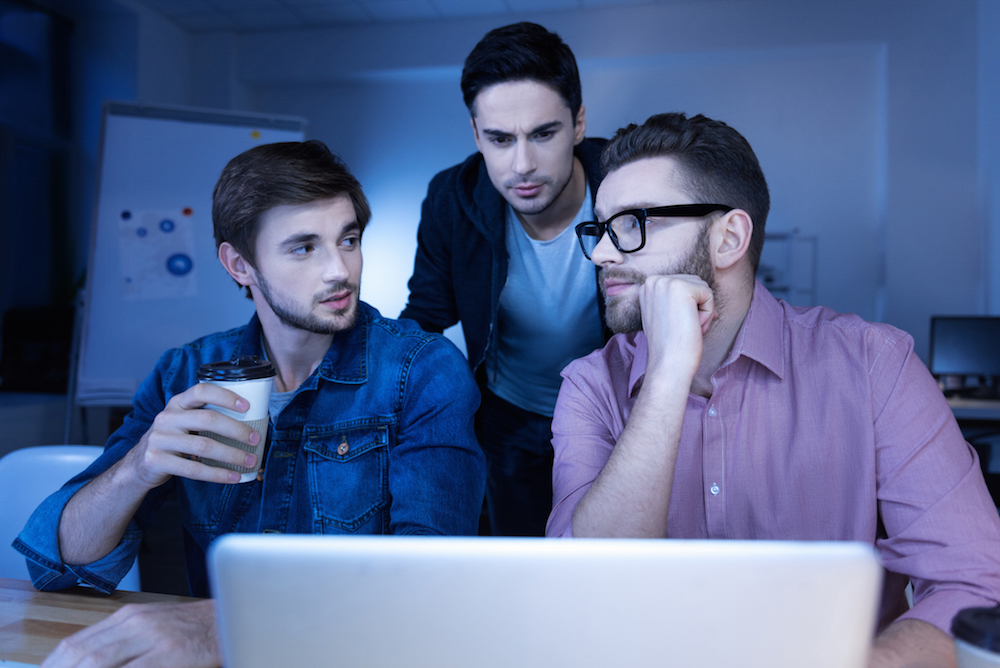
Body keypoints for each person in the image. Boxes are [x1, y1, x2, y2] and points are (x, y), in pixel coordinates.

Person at [546, 112, 1000, 667]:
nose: (602, 254)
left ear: (729, 237)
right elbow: (584, 593)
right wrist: (666, 375)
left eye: (632, 224)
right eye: (600, 229)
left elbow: (973, 581)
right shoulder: (590, 386)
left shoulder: (875, 365)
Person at [15, 140, 486, 667]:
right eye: (304, 247)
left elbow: (432, 581)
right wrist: (138, 467)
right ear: (239, 264)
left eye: (348, 240)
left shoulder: (422, 370)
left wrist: (222, 626)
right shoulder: (183, 375)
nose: (341, 270)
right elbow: (57, 567)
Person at [401, 22, 608, 536]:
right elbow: (425, 316)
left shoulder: (627, 181)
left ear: (578, 123)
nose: (523, 165)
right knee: (523, 556)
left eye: (543, 134)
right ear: (476, 135)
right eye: (499, 139)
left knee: (609, 560)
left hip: (614, 411)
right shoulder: (453, 197)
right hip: (507, 416)